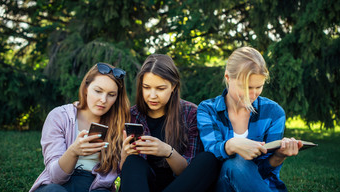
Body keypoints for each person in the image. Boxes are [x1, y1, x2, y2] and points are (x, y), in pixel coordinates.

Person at [197, 46, 303, 192]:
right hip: (221, 185)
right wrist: (232, 145)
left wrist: (279, 156)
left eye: (258, 87)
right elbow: (209, 157)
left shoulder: (274, 113)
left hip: (257, 183)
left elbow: (265, 171)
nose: (252, 95)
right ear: (228, 77)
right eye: (246, 87)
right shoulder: (208, 109)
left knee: (240, 164)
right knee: (234, 162)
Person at [120, 54, 219, 192]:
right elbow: (126, 177)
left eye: (160, 89)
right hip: (144, 185)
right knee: (132, 162)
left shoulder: (191, 113)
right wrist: (124, 155)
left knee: (208, 160)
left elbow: (189, 172)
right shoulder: (131, 115)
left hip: (180, 185)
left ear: (173, 86)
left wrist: (167, 151)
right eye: (146, 87)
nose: (152, 95)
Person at [29, 63, 130, 192]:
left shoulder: (119, 124)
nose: (103, 100)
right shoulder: (60, 116)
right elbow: (56, 177)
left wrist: (126, 157)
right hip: (57, 186)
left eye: (111, 94)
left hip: (96, 187)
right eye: (98, 91)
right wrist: (74, 151)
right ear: (86, 88)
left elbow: (123, 175)